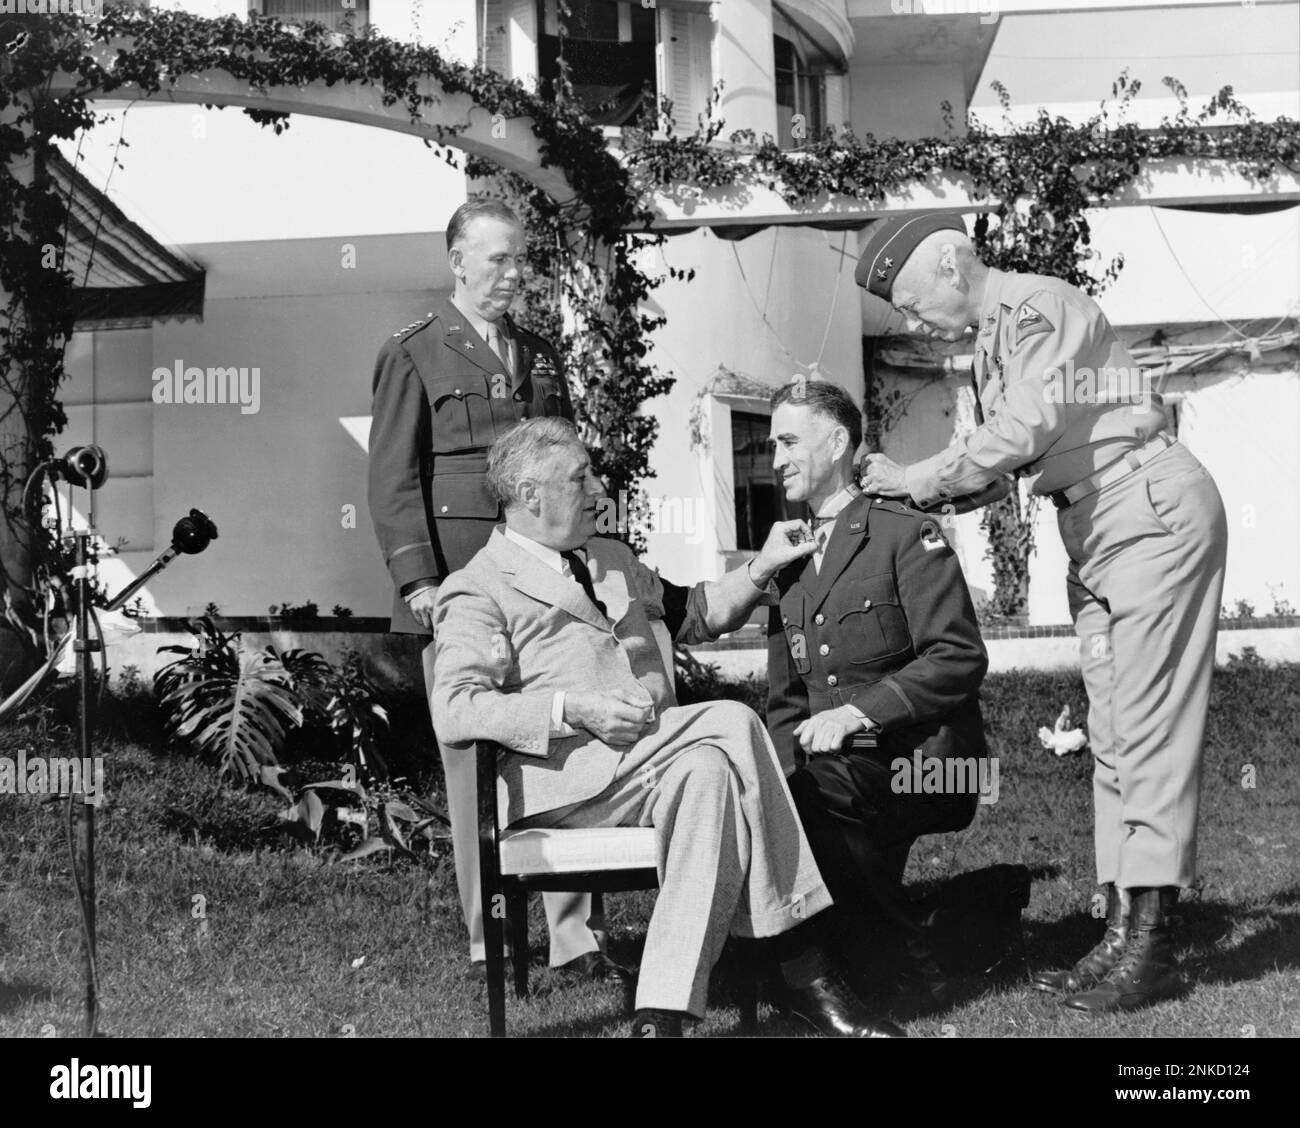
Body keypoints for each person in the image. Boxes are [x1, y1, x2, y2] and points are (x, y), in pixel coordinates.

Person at [855, 213, 1228, 1012]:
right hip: (1095, 522)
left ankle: (1155, 943)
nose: (918, 322)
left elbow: (1025, 426)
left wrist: (922, 476)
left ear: (953, 262)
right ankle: (1123, 931)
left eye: (918, 302)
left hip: (1145, 503)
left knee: (1151, 725)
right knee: (1115, 733)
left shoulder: (1037, 308)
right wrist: (911, 484)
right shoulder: (993, 346)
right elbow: (1002, 466)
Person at [430, 417, 906, 1038]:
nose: (599, 487)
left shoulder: (610, 558)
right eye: (581, 477)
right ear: (529, 494)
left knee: (710, 772)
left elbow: (696, 614)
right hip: (568, 787)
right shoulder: (477, 587)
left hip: (659, 762)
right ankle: (804, 968)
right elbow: (457, 706)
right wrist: (572, 709)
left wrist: (762, 567)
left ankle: (662, 1015)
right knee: (733, 720)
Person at [367, 199, 615, 983]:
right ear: (458, 262)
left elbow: (565, 466)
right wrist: (419, 582)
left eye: (521, 260)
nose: (514, 274)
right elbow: (392, 478)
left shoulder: (540, 355)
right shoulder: (412, 352)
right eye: (499, 260)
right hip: (465, 589)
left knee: (566, 746)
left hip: (544, 589)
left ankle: (576, 938)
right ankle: (490, 936)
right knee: (472, 757)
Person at [764, 380, 989, 1002]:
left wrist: (858, 713)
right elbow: (787, 701)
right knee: (789, 794)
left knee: (819, 793)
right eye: (771, 444)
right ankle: (850, 954)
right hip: (840, 772)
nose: (776, 458)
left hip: (930, 761)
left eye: (789, 441)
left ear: (838, 442)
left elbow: (959, 655)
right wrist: (775, 784)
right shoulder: (789, 558)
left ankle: (916, 967)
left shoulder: (903, 531)